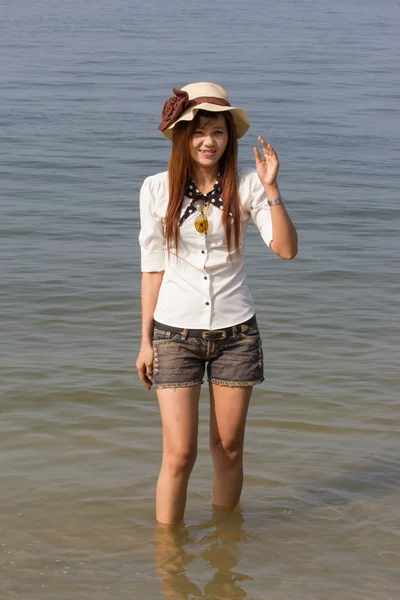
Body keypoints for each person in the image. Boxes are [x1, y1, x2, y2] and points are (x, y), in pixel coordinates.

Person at [136, 82, 297, 525]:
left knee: (228, 448)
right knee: (179, 454)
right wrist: (145, 341)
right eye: (199, 131)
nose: (209, 141)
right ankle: (169, 561)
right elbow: (152, 268)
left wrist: (272, 188)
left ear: (231, 138)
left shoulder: (248, 186)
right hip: (174, 334)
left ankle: (226, 550)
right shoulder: (155, 189)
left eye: (219, 132)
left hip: (236, 334)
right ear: (182, 136)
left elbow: (285, 249)